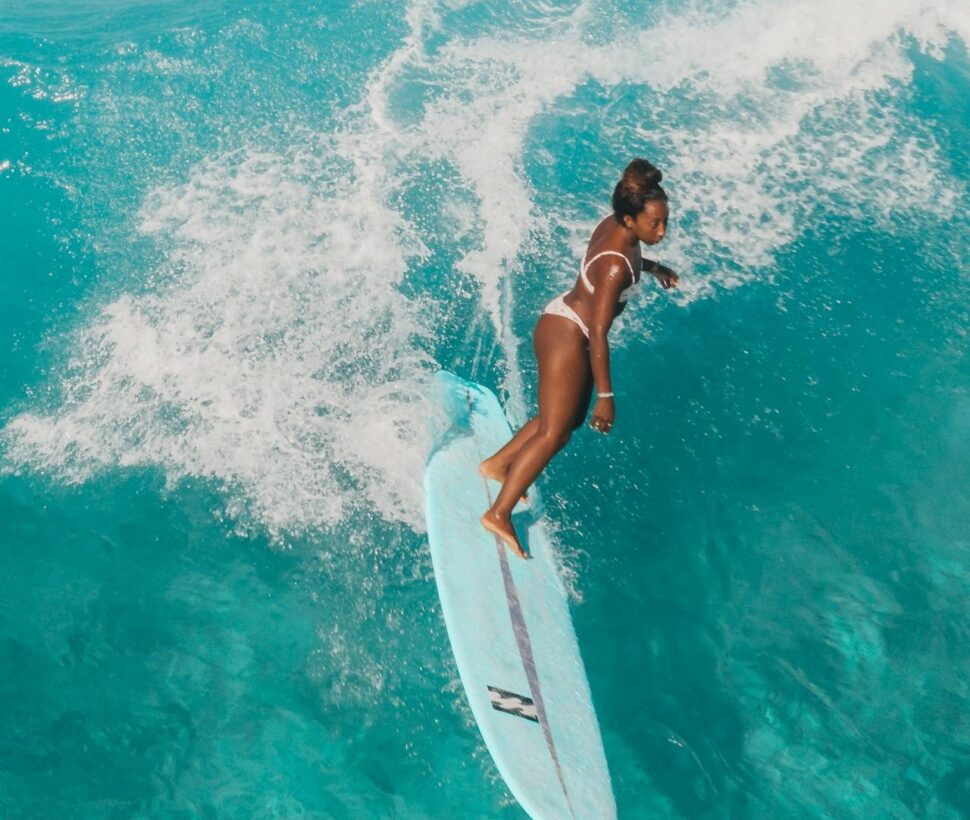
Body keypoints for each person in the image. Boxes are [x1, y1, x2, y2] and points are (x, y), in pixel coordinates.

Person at [479, 158, 679, 558]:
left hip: (564, 324)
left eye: (665, 222)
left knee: (562, 418)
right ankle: (498, 513)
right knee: (557, 432)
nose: (662, 230)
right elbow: (600, 331)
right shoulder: (613, 269)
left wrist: (655, 268)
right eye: (655, 223)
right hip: (569, 336)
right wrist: (606, 397)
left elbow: (631, 257)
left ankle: (499, 465)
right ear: (630, 218)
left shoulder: (617, 228)